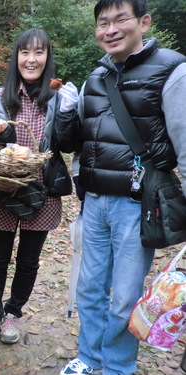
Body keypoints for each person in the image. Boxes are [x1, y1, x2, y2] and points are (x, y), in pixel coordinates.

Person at [59, 0, 186, 374]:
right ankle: (89, 356)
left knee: (125, 297)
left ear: (144, 22)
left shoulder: (173, 70)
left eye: (120, 20)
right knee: (89, 289)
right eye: (102, 23)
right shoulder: (95, 77)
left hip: (137, 202)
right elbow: (83, 140)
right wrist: (67, 112)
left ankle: (117, 366)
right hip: (95, 202)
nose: (110, 29)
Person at [0, 28, 80, 347]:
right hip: (4, 190)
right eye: (25, 52)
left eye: (38, 52)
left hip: (43, 191)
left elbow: (69, 143)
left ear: (47, 57)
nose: (31, 59)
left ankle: (13, 313)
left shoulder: (59, 96)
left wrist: (67, 115)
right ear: (16, 57)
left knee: (28, 261)